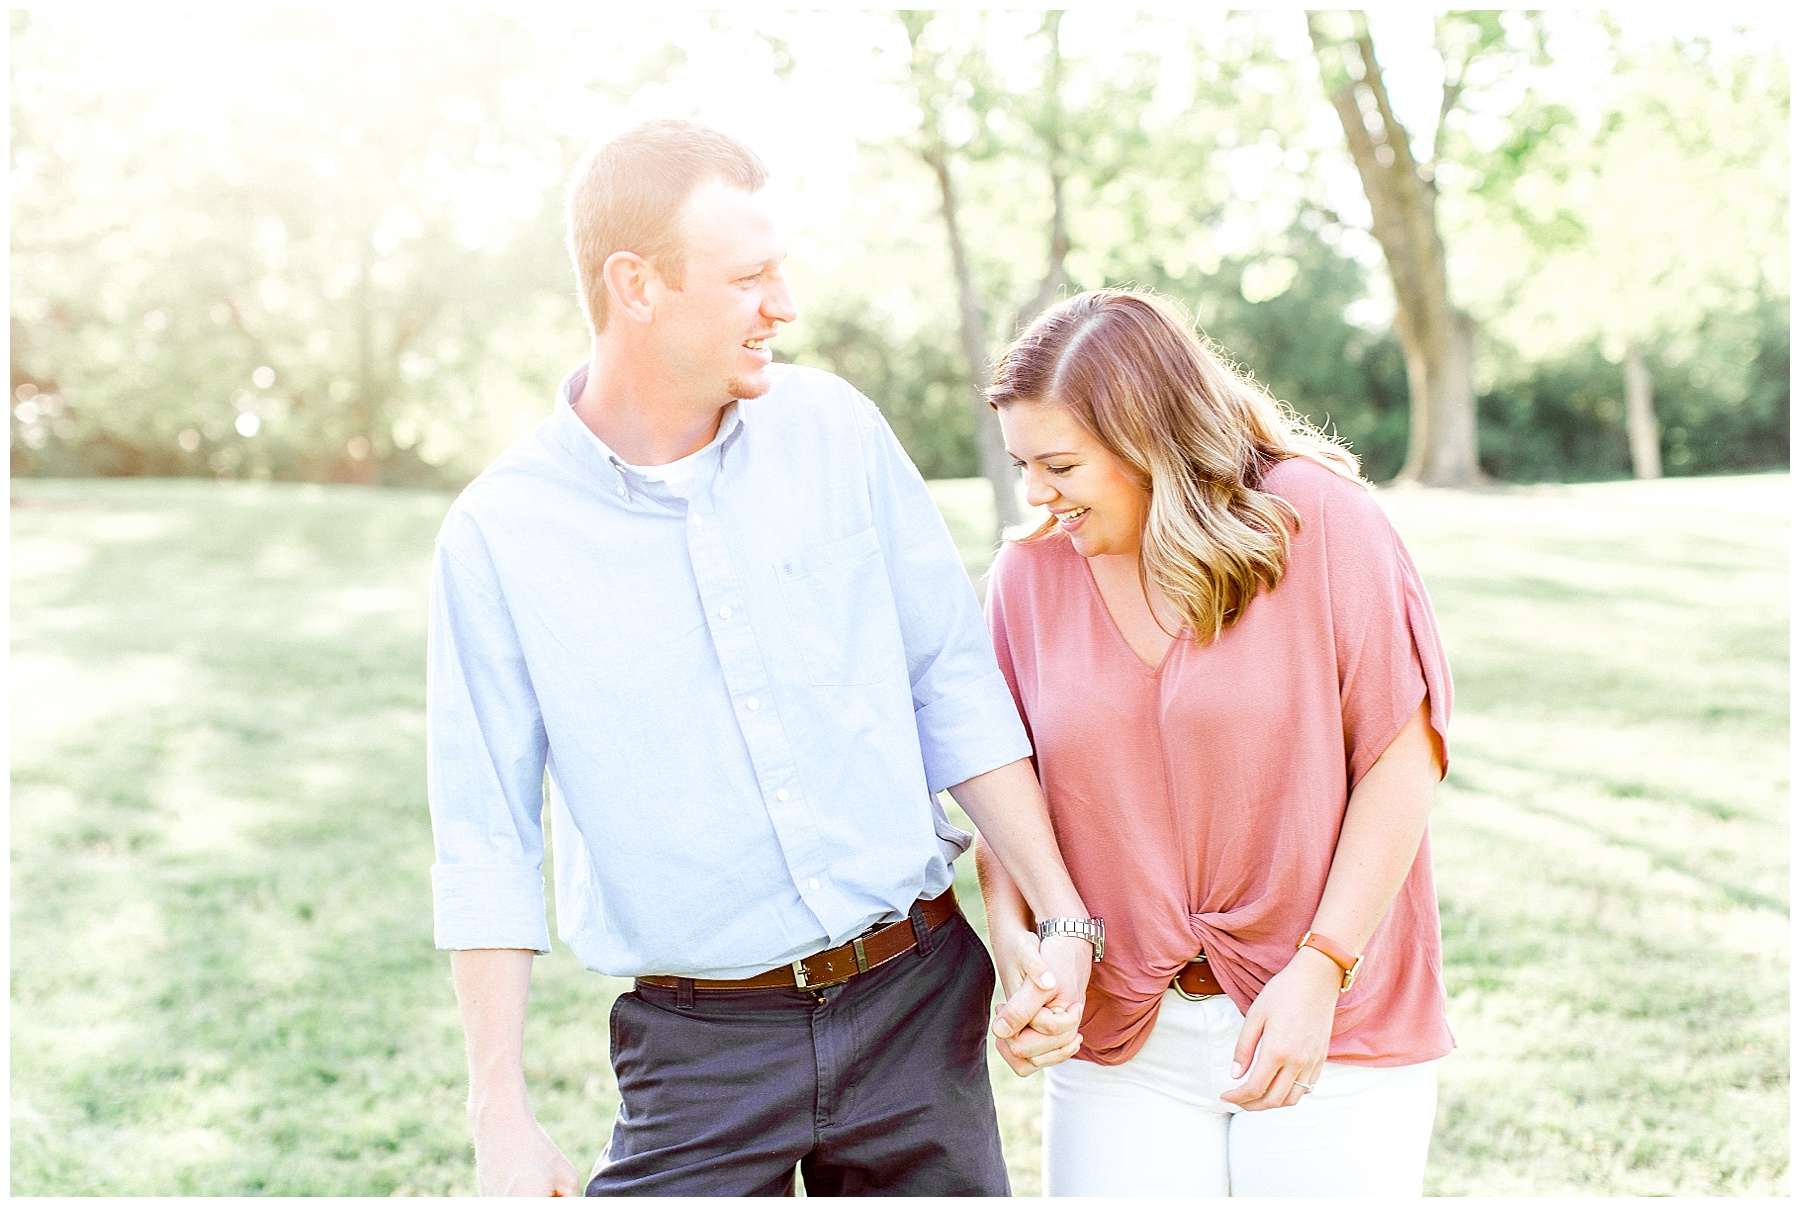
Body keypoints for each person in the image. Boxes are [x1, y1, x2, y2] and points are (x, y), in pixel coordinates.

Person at [425, 119, 1100, 1197]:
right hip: (698, 1048)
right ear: (636, 285)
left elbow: (950, 682)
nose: (783, 306)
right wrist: (497, 1110)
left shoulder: (836, 430)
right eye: (748, 277)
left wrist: (1062, 917)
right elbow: (484, 837)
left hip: (914, 1002)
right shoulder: (501, 535)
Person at [976, 288, 1454, 1197]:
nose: (1036, 493)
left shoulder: (1318, 521)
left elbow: (1402, 754)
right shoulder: (1026, 577)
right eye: (1022, 464)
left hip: (1328, 1021)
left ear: (1147, 439)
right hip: (1125, 1038)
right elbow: (1006, 785)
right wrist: (1022, 943)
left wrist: (1322, 967)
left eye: (1060, 465)